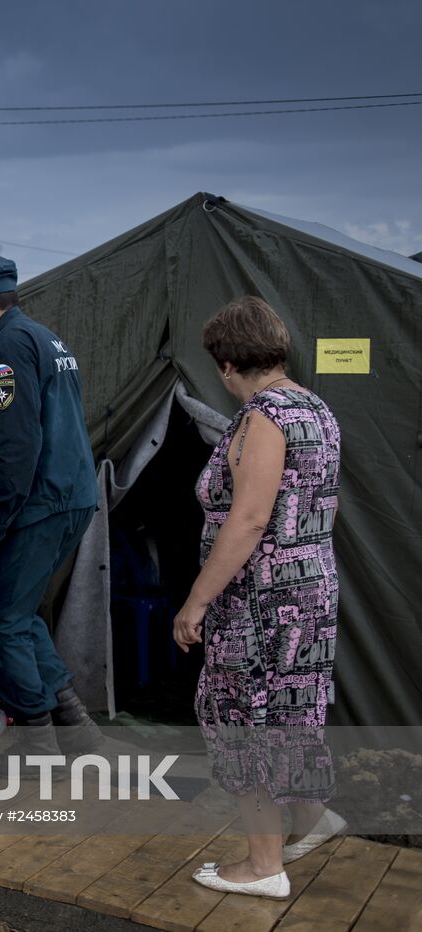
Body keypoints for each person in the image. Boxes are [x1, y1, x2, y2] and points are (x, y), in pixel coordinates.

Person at [173, 297, 343, 899]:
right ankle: (311, 819)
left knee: (241, 718)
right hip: (311, 589)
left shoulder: (263, 417)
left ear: (225, 364)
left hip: (260, 601)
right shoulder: (316, 409)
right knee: (294, 713)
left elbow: (247, 521)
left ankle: (263, 865)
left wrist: (195, 602)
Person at [0, 256, 103, 761]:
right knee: (21, 611)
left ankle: (38, 744)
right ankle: (75, 728)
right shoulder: (43, 336)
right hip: (70, 494)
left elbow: (13, 447)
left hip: (39, 502)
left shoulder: (7, 350)